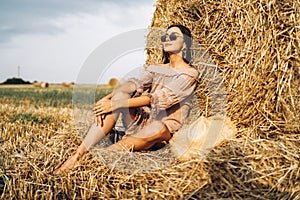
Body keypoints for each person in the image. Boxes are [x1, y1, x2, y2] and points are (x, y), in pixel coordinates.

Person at [53, 24, 199, 175]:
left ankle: (95, 160)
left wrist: (115, 104)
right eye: (165, 37)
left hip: (164, 130)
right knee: (120, 95)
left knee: (155, 126)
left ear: (185, 44)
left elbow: (159, 98)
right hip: (144, 121)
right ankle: (78, 155)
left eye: (173, 36)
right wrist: (109, 98)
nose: (167, 39)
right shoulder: (156, 68)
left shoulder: (190, 73)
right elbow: (134, 84)